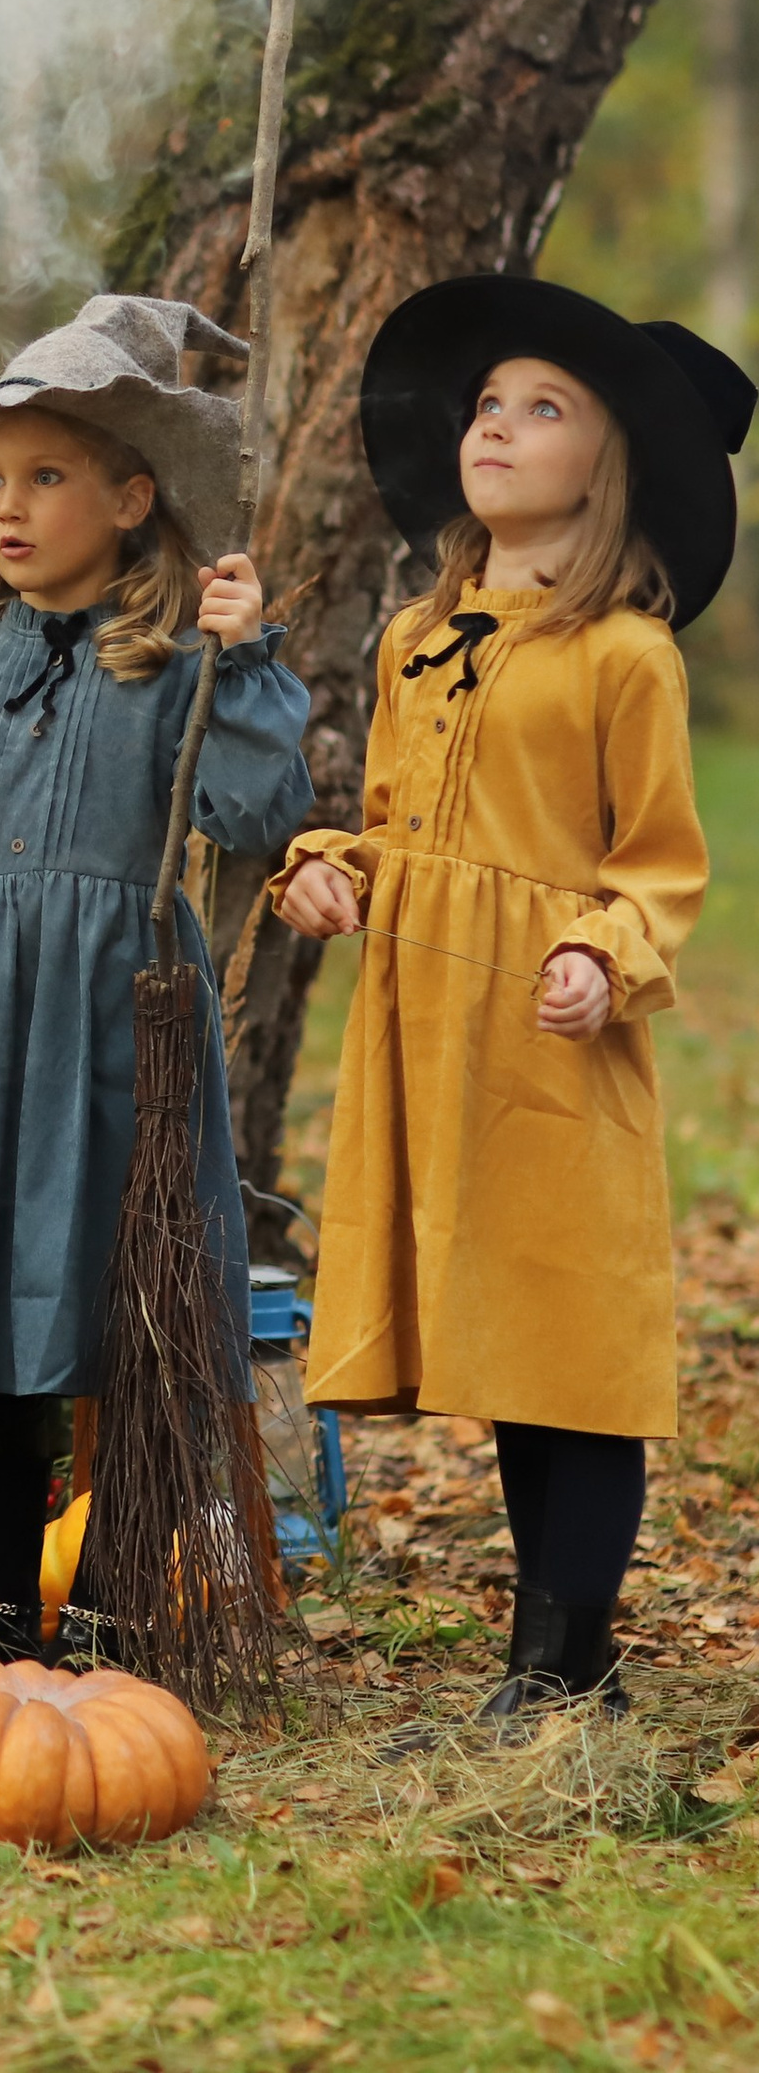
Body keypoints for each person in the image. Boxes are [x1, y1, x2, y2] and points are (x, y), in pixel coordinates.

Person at [269, 278, 752, 1720]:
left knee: (570, 1335)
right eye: (490, 402)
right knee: (493, 1333)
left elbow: (660, 859)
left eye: (546, 410)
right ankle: (547, 1658)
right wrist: (329, 868)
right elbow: (398, 816)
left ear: (604, 469)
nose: (499, 425)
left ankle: (567, 1658)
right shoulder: (420, 638)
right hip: (428, 1023)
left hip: (555, 1024)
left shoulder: (627, 655)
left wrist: (603, 951)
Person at [0, 296, 314, 1665]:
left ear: (133, 497)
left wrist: (245, 655)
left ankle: (102, 1608)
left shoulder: (171, 671)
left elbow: (259, 811)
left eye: (46, 477)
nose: (9, 507)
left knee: (121, 1305)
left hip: (118, 1020)